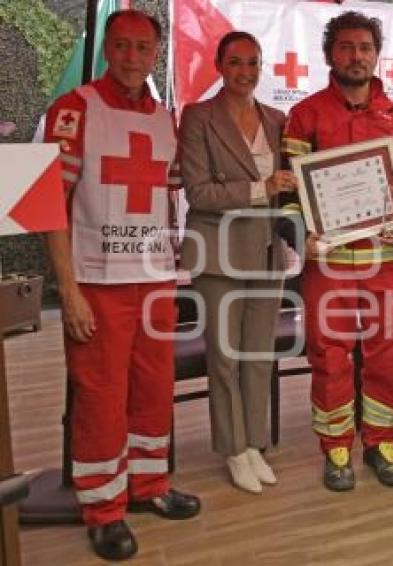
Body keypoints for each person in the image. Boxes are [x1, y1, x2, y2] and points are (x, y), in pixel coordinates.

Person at [43, 9, 200, 561]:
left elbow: (172, 196)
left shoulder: (163, 118)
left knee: (153, 390)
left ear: (155, 55)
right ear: (107, 47)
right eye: (123, 46)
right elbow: (43, 205)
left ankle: (149, 486)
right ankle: (103, 508)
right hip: (97, 282)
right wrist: (68, 290)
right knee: (102, 397)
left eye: (143, 49)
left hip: (154, 280)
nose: (133, 58)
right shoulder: (72, 108)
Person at [279, 11, 393, 492]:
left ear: (376, 54)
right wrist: (299, 231)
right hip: (328, 265)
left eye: (365, 47)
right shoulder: (305, 115)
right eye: (346, 47)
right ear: (330, 55)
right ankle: (338, 447)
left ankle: (382, 442)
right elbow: (288, 192)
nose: (356, 55)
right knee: (330, 357)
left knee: (388, 357)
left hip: (385, 263)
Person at [179, 31, 296, 494]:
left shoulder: (276, 118)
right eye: (235, 62)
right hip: (217, 254)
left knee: (258, 356)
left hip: (266, 252)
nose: (244, 72)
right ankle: (232, 449)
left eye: (252, 62)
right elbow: (198, 191)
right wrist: (261, 189)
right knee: (224, 359)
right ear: (219, 65)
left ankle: (254, 444)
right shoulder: (198, 117)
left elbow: (294, 185)